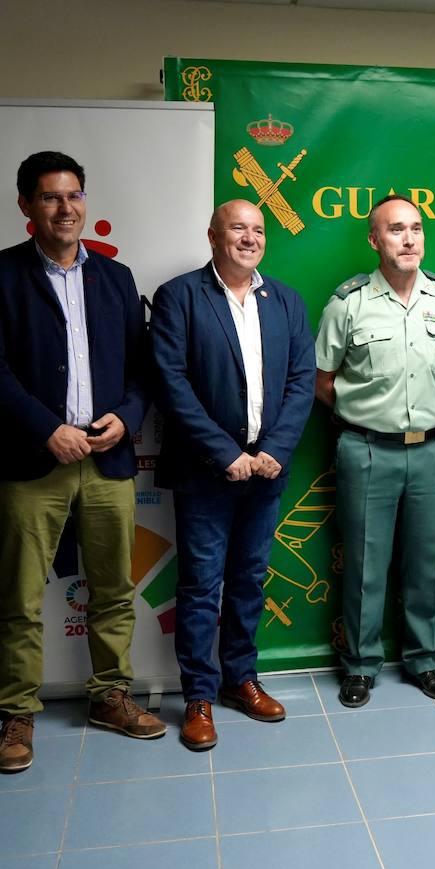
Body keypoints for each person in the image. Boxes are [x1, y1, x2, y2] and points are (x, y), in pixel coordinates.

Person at [0, 151, 165, 773]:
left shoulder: (115, 277)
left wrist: (127, 418)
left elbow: (142, 369)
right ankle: (16, 715)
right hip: (33, 460)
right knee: (21, 597)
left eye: (74, 195)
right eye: (51, 197)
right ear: (26, 205)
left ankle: (111, 696)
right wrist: (47, 428)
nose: (65, 207)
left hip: (107, 458)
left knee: (112, 588)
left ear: (86, 201)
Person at [151, 200, 315, 751]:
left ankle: (239, 678)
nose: (249, 237)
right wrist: (225, 453)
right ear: (213, 236)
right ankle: (197, 695)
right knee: (201, 586)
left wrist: (274, 449)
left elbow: (300, 381)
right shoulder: (180, 297)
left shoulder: (286, 300)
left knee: (250, 578)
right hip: (206, 471)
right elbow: (171, 384)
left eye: (258, 229)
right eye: (238, 228)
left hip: (266, 470)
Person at [315, 195, 435, 708]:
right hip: (368, 450)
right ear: (374, 240)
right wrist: (367, 419)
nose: (408, 239)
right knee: (365, 563)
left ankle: (425, 660)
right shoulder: (348, 303)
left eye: (416, 229)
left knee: (427, 562)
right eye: (396, 229)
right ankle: (360, 665)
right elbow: (324, 380)